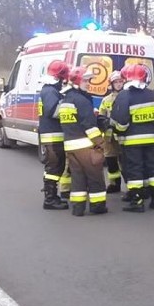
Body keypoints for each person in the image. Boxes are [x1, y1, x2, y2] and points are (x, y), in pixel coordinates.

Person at [111, 64, 154, 212]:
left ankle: (137, 202)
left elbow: (122, 121)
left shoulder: (124, 95)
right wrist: (152, 126)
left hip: (132, 141)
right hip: (150, 139)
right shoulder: (152, 94)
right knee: (153, 168)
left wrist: (119, 131)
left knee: (135, 170)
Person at [59, 66, 108, 217]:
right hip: (86, 146)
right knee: (95, 177)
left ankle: (78, 208)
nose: (89, 83)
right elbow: (89, 126)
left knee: (78, 178)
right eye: (86, 80)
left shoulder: (66, 100)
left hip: (70, 146)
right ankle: (97, 206)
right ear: (78, 81)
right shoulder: (82, 101)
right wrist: (100, 143)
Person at [39, 60, 70, 210]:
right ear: (60, 77)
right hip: (53, 136)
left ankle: (51, 196)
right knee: (55, 167)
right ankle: (50, 199)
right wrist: (69, 107)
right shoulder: (51, 92)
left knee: (54, 166)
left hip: (51, 135)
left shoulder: (47, 90)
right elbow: (54, 111)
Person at [98, 70, 125, 194]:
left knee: (126, 162)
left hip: (123, 135)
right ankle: (114, 184)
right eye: (116, 82)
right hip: (109, 138)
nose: (119, 84)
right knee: (111, 161)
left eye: (121, 81)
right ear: (111, 84)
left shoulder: (127, 97)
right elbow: (101, 115)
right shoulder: (106, 100)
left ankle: (131, 187)